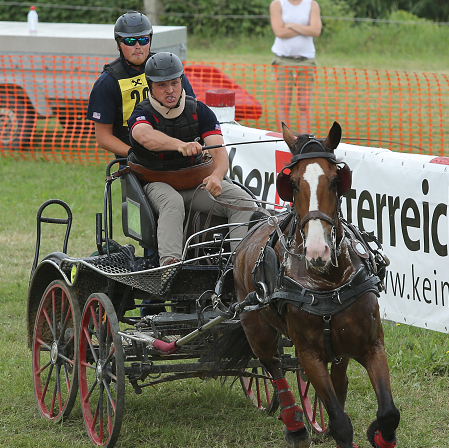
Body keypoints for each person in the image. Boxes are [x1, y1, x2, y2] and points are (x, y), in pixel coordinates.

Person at [128, 53, 260, 266]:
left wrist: (217, 176)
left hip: (196, 183)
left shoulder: (200, 110)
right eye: (162, 85)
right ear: (150, 86)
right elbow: (145, 136)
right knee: (173, 201)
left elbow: (219, 152)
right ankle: (170, 267)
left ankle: (239, 266)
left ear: (182, 81)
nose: (170, 90)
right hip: (156, 184)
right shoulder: (141, 113)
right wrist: (179, 145)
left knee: (243, 201)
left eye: (175, 83)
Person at [86, 10, 195, 157]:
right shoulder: (107, 82)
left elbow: (192, 110)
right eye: (130, 41)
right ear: (118, 44)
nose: (138, 46)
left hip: (178, 153)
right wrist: (134, 154)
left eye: (143, 40)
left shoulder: (168, 67)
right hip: (136, 162)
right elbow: (103, 137)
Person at [269, 0, 322, 134]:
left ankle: (305, 140)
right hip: (283, 60)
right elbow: (279, 32)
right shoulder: (277, 4)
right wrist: (305, 29)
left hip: (306, 61)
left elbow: (316, 30)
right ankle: (284, 137)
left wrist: (291, 25)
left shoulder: (312, 4)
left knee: (304, 104)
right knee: (284, 103)